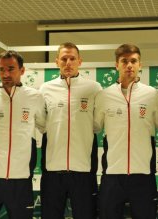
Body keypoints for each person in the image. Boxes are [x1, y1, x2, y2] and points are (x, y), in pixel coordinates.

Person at [94, 44, 158, 219]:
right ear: (116, 65)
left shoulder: (152, 95)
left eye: (133, 61)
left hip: (143, 174)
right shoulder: (104, 96)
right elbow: (95, 127)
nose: (129, 65)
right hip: (112, 174)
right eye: (124, 61)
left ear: (140, 64)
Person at [0, 50, 46, 219]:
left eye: (11, 69)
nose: (5, 74)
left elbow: (43, 126)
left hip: (20, 181)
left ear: (22, 70)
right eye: (1, 69)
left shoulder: (35, 97)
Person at [39, 42, 102, 219]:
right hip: (53, 171)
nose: (68, 63)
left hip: (83, 171)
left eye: (72, 58)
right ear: (56, 61)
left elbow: (97, 125)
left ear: (80, 61)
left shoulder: (94, 88)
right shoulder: (45, 89)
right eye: (64, 59)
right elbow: (42, 124)